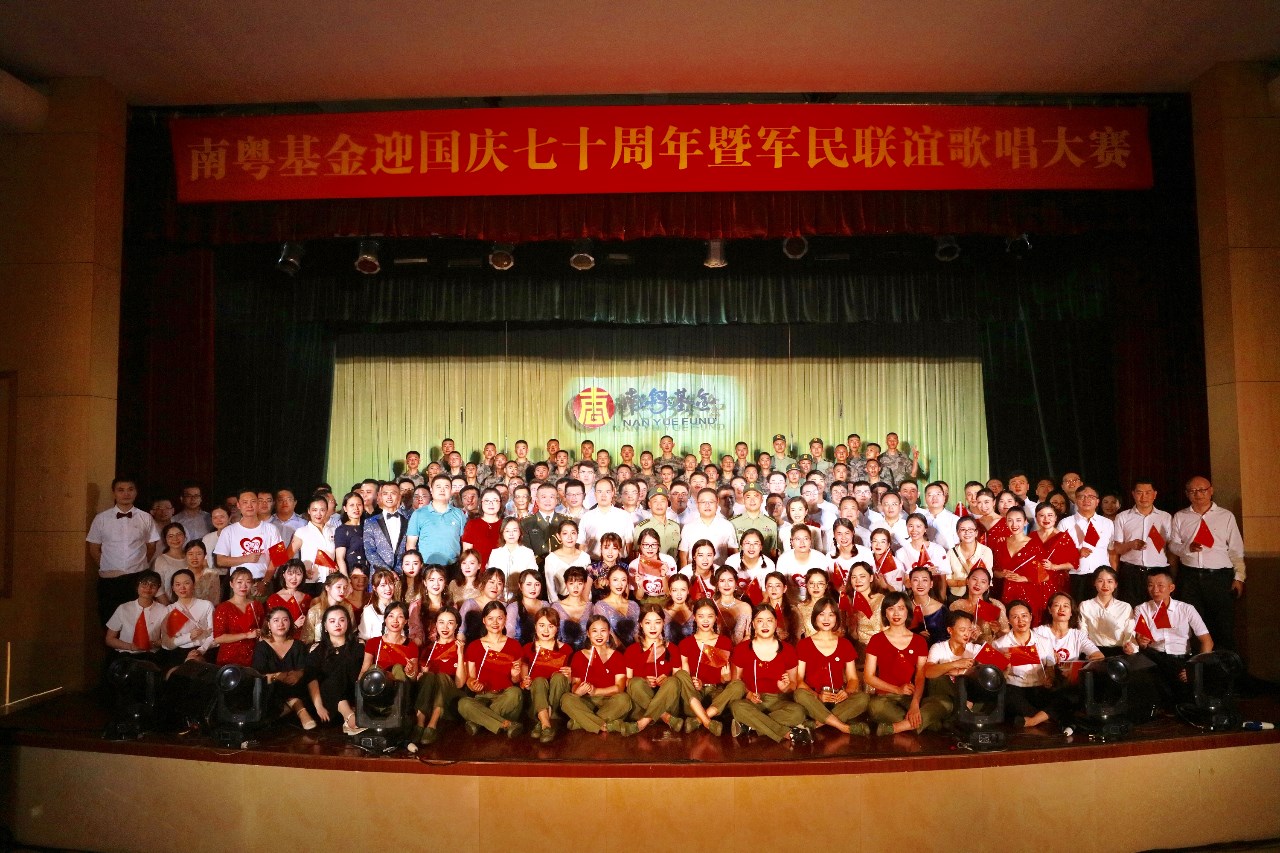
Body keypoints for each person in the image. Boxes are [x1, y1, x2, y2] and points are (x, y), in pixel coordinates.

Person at [1168, 476, 1245, 651]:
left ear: (1211, 491)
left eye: (1202, 490)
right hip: (1190, 577)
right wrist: (1187, 547)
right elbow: (1173, 545)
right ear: (1187, 494)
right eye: (1193, 491)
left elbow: (1236, 549)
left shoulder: (1226, 516)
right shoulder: (1180, 516)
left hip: (1219, 577)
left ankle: (1225, 664)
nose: (1198, 494)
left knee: (1223, 625)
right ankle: (1198, 664)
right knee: (1193, 624)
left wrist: (1239, 577)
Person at [862, 591, 948, 736]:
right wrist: (897, 690)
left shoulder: (919, 641)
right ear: (885, 613)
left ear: (908, 611)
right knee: (875, 707)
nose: (896, 613)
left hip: (910, 697)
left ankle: (897, 727)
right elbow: (868, 677)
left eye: (901, 608)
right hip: (884, 699)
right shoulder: (876, 640)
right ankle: (923, 723)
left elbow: (920, 675)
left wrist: (915, 703)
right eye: (891, 609)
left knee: (945, 702)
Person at [725, 603, 807, 744]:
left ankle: (750, 725)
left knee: (798, 712)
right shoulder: (741, 649)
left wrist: (786, 687)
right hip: (752, 701)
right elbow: (735, 681)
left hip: (778, 701)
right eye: (760, 621)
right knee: (737, 707)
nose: (765, 625)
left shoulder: (788, 650)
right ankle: (788, 733)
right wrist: (748, 694)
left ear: (776, 623)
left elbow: (793, 683)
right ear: (753, 624)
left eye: (769, 620)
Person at [1132, 567, 1214, 703]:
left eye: (1160, 585)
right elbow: (1140, 640)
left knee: (1185, 696)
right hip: (1154, 658)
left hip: (1180, 659)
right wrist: (1141, 641)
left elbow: (1207, 641)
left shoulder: (1186, 609)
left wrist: (1195, 668)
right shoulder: (1141, 609)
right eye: (1151, 585)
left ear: (1171, 588)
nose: (1155, 590)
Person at [88, 477, 161, 625]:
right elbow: (94, 548)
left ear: (136, 492)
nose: (126, 494)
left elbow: (151, 547)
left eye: (130, 489)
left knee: (137, 623)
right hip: (109, 579)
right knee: (108, 621)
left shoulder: (145, 517)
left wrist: (138, 565)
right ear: (114, 493)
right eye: (121, 490)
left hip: (137, 578)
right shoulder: (101, 518)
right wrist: (107, 565)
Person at [793, 597, 868, 735]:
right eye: (822, 614)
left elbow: (853, 679)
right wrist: (817, 695)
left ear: (836, 618)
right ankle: (843, 727)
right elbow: (799, 680)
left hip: (837, 698)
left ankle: (817, 723)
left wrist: (847, 692)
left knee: (863, 698)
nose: (826, 619)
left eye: (831, 614)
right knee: (800, 694)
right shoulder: (804, 644)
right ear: (815, 617)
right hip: (814, 698)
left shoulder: (845, 644)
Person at [993, 600, 1072, 729]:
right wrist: (1005, 665)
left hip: (1039, 688)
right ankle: (1048, 718)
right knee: (1006, 696)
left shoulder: (1044, 642)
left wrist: (1049, 679)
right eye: (1015, 617)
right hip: (1014, 689)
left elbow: (1050, 669)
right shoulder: (999, 644)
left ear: (1030, 616)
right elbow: (998, 678)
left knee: (1065, 696)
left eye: (1024, 615)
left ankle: (1033, 721)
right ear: (1008, 620)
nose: (1021, 620)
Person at [560, 614, 637, 735]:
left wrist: (596, 691)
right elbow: (575, 684)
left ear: (609, 632)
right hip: (586, 701)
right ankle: (605, 726)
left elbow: (619, 688)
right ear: (588, 634)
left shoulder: (617, 656)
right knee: (566, 699)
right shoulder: (579, 656)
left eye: (603, 631)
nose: (599, 635)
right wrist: (577, 691)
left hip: (610, 701)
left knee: (624, 699)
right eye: (594, 631)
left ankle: (581, 722)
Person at [409, 607, 467, 748]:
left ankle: (432, 724)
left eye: (450, 623)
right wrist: (421, 675)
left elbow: (459, 684)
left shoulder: (461, 647)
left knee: (441, 676)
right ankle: (420, 723)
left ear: (456, 625)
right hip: (428, 700)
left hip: (449, 702)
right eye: (441, 622)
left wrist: (460, 655)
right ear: (436, 624)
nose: (445, 627)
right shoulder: (428, 649)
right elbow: (422, 681)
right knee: (428, 676)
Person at [1110, 480, 1172, 607]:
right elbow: (1117, 549)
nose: (1144, 497)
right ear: (1133, 494)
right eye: (1139, 493)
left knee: (1157, 610)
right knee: (1130, 609)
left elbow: (1171, 548)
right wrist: (1130, 545)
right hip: (1131, 572)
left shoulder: (1165, 517)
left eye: (1148, 492)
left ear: (1155, 494)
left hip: (1158, 571)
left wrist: (1172, 574)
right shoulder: (1123, 517)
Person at [625, 604, 685, 732]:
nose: (653, 627)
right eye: (648, 623)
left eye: (657, 622)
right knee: (634, 682)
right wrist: (644, 681)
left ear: (663, 623)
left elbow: (678, 679)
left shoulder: (672, 649)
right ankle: (665, 717)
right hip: (642, 707)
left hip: (668, 704)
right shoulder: (632, 650)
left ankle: (644, 721)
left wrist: (667, 679)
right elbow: (627, 681)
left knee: (673, 681)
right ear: (641, 624)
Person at [254, 606, 315, 730]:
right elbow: (258, 675)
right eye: (276, 620)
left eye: (285, 620)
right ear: (269, 625)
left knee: (306, 678)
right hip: (272, 693)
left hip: (296, 687)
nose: (281, 624)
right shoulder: (262, 647)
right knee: (275, 685)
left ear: (290, 623)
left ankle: (289, 708)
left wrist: (298, 674)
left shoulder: (298, 645)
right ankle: (298, 707)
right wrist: (277, 676)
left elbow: (305, 669)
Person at [214, 490, 283, 599]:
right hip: (238, 584)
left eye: (253, 501)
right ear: (238, 505)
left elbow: (279, 557)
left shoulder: (272, 529)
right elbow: (220, 560)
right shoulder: (228, 531)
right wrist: (246, 558)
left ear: (258, 504)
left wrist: (265, 582)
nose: (249, 505)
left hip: (262, 582)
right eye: (245, 502)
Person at [306, 605, 363, 733]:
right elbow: (311, 679)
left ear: (348, 623)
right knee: (328, 680)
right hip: (327, 705)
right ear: (325, 626)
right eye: (332, 621)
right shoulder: (317, 650)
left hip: (354, 696)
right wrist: (319, 706)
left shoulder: (358, 646)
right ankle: (349, 717)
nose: (337, 624)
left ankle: (349, 716)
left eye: (342, 620)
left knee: (341, 670)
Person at [1057, 484, 1117, 603]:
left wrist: (1113, 575)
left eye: (1090, 497)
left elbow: (1112, 552)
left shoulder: (1107, 523)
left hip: (1102, 577)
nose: (1086, 500)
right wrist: (1076, 553)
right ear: (1076, 500)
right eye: (1082, 497)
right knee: (1078, 609)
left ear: (1097, 501)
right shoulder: (1065, 523)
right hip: (1076, 576)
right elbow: (1058, 554)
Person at [406, 474, 468, 567]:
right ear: (431, 490)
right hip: (426, 565)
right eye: (438, 487)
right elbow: (411, 544)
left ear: (451, 490)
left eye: (446, 487)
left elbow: (465, 543)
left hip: (453, 566)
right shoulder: (419, 514)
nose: (442, 490)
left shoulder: (459, 513)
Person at [103, 570, 166, 662]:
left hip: (150, 656)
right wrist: (131, 646)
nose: (148, 588)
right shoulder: (123, 608)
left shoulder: (163, 610)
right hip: (125, 655)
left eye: (153, 585)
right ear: (137, 586)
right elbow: (109, 639)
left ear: (158, 589)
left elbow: (168, 638)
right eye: (144, 584)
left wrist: (153, 644)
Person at [359, 601, 420, 685]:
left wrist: (410, 672)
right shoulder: (373, 643)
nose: (395, 620)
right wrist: (358, 686)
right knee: (374, 668)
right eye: (391, 616)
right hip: (377, 687)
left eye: (400, 617)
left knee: (398, 668)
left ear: (405, 621)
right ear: (385, 619)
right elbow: (364, 670)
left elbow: (414, 678)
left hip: (400, 688)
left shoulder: (411, 646)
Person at [211, 567, 262, 667]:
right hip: (230, 657)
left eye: (248, 582)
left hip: (254, 655)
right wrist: (246, 635)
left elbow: (262, 629)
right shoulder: (223, 608)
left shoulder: (257, 605)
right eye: (239, 582)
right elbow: (218, 638)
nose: (244, 586)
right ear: (231, 584)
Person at [1078, 567, 1134, 655]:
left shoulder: (1125, 607)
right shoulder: (1085, 605)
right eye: (1100, 581)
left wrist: (1128, 645)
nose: (1105, 585)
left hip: (1119, 652)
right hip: (1094, 651)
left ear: (1116, 584)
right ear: (1094, 583)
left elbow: (1129, 632)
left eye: (1110, 581)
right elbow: (1082, 632)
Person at [289, 493, 336, 595]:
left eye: (322, 510)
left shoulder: (333, 530)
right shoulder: (302, 531)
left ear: (327, 511)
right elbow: (288, 555)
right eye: (314, 510)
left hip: (331, 582)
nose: (318, 514)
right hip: (310, 582)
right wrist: (301, 570)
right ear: (309, 511)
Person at [949, 566, 1008, 644]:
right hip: (965, 649)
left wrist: (998, 631)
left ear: (987, 586)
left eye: (983, 582)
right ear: (967, 581)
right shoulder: (956, 606)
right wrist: (968, 637)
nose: (977, 584)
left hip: (989, 649)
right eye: (974, 579)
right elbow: (951, 634)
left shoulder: (996, 605)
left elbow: (1007, 636)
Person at [364, 481, 411, 574]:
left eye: (393, 493)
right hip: (379, 575)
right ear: (380, 496)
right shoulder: (370, 522)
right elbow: (369, 551)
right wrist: (388, 571)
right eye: (385, 494)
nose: (389, 497)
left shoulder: (409, 520)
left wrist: (399, 570)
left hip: (403, 574)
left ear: (399, 496)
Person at [944, 515, 994, 601]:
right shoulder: (951, 553)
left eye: (970, 530)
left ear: (976, 533)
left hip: (980, 596)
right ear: (957, 533)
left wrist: (971, 582)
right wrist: (967, 582)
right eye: (963, 530)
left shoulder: (986, 551)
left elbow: (989, 578)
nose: (967, 533)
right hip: (957, 597)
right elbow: (947, 580)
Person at [593, 565, 640, 647]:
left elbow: (637, 633)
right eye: (615, 580)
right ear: (608, 581)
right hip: (612, 650)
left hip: (634, 650)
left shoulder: (633, 605)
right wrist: (625, 652)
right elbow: (609, 635)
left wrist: (639, 650)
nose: (620, 584)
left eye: (623, 580)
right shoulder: (600, 606)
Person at [486, 517, 537, 593]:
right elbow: (491, 578)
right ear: (502, 533)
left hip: (521, 595)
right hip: (499, 594)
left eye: (515, 530)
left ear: (520, 532)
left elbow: (532, 578)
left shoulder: (528, 553)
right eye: (507, 531)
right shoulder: (495, 553)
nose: (511, 534)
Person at [544, 518, 591, 600]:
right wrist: (557, 605)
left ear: (577, 535)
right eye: (565, 533)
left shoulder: (585, 557)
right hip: (560, 601)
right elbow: (550, 589)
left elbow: (588, 586)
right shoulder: (551, 559)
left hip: (581, 601)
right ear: (559, 536)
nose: (569, 537)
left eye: (573, 533)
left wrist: (585, 603)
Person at [301, 573, 352, 646]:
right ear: (327, 587)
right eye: (338, 587)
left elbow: (352, 631)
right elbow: (306, 638)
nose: (342, 591)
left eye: (345, 587)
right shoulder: (315, 611)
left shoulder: (347, 607)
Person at [266, 559, 312, 640]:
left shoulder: (307, 598)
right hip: (283, 642)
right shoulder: (273, 599)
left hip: (304, 641)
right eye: (290, 574)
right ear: (284, 575)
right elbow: (269, 628)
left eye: (298, 574)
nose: (294, 578)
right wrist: (294, 626)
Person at [459, 567, 507, 642]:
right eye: (492, 582)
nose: (495, 587)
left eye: (499, 583)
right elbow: (460, 632)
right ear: (483, 583)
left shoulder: (505, 606)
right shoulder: (469, 604)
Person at [844, 563, 884, 651]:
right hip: (859, 651)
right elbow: (851, 635)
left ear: (871, 578)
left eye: (862, 576)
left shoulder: (882, 600)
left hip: (881, 649)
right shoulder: (849, 602)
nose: (857, 581)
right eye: (854, 577)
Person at [731, 483, 779, 557]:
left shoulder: (771, 524)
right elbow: (731, 551)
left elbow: (773, 552)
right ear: (743, 500)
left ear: (762, 499)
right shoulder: (733, 523)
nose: (752, 500)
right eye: (748, 497)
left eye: (756, 496)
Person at [461, 487, 504, 567]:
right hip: (478, 570)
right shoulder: (472, 524)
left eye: (495, 500)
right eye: (487, 501)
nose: (491, 504)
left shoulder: (506, 524)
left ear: (500, 503)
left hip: (501, 570)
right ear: (481, 503)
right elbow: (467, 553)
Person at [906, 566, 948, 646]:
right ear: (910, 583)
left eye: (924, 580)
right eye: (916, 580)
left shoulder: (941, 609)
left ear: (931, 584)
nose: (920, 584)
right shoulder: (904, 608)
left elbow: (947, 637)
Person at [711, 565, 752, 643]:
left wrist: (738, 649)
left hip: (741, 649)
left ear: (736, 583)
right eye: (722, 581)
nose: (726, 585)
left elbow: (748, 635)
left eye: (730, 580)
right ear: (717, 584)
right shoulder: (712, 607)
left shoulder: (745, 607)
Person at [505, 569, 546, 645]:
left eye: (537, 584)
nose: (533, 588)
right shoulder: (513, 608)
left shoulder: (546, 605)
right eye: (528, 584)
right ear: (520, 586)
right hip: (518, 648)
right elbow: (509, 637)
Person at [151, 522, 189, 605]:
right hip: (171, 605)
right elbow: (158, 589)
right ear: (165, 540)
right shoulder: (161, 560)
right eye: (171, 536)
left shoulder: (191, 556)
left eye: (179, 534)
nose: (175, 538)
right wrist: (170, 607)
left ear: (185, 536)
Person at [333, 491, 368, 578]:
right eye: (351, 505)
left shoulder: (369, 527)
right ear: (345, 508)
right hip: (352, 575)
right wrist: (346, 579)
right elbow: (340, 558)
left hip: (370, 573)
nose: (356, 508)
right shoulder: (342, 530)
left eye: (359, 505)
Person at [663, 574, 695, 644]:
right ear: (670, 592)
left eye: (683, 590)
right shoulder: (663, 614)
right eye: (675, 590)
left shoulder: (696, 611)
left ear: (688, 591)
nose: (679, 594)